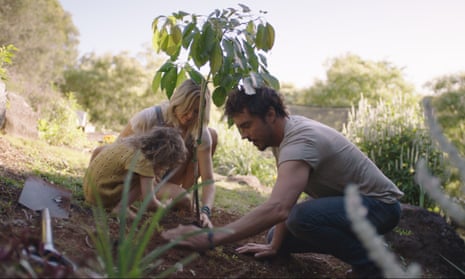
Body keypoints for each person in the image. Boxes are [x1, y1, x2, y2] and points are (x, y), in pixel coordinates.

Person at [162, 86, 404, 278]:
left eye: (247, 125)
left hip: (381, 207)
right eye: (239, 128)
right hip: (351, 206)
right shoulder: (284, 137)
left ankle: (373, 265)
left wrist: (210, 237)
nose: (244, 135)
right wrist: (275, 246)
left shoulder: (301, 140)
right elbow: (288, 197)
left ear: (270, 114)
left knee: (300, 219)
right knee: (275, 238)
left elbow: (279, 208)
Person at [91, 79, 217, 228]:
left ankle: (153, 197)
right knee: (102, 151)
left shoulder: (200, 132)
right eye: (186, 108)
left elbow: (208, 179)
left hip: (159, 180)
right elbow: (117, 151)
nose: (189, 115)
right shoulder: (149, 118)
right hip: (135, 176)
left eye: (196, 111)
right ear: (177, 101)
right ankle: (128, 198)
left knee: (184, 198)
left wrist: (205, 210)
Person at [83, 127, 187, 220]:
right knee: (141, 178)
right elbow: (149, 203)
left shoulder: (127, 144)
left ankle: (122, 205)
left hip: (89, 192)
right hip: (100, 197)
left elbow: (98, 150)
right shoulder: (144, 161)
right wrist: (166, 205)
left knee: (146, 178)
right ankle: (121, 209)